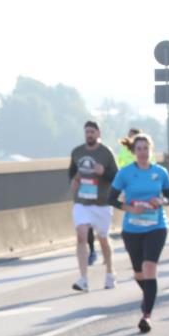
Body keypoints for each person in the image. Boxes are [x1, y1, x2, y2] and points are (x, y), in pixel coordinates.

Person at [108, 133, 169, 333]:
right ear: (133, 151)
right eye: (139, 149)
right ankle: (149, 298)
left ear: (151, 150)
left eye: (146, 148)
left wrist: (161, 201)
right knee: (139, 273)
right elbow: (111, 198)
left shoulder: (160, 172)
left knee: (149, 268)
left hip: (156, 227)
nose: (143, 152)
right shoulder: (125, 173)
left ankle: (147, 315)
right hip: (132, 229)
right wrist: (130, 209)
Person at [68, 121, 118, 292]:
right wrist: (74, 181)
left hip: (101, 203)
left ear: (98, 133)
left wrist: (103, 171)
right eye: (86, 132)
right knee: (81, 236)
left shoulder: (106, 153)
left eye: (92, 131)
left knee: (103, 239)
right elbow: (72, 171)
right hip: (82, 201)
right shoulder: (77, 152)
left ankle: (110, 272)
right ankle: (83, 279)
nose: (89, 134)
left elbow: (116, 176)